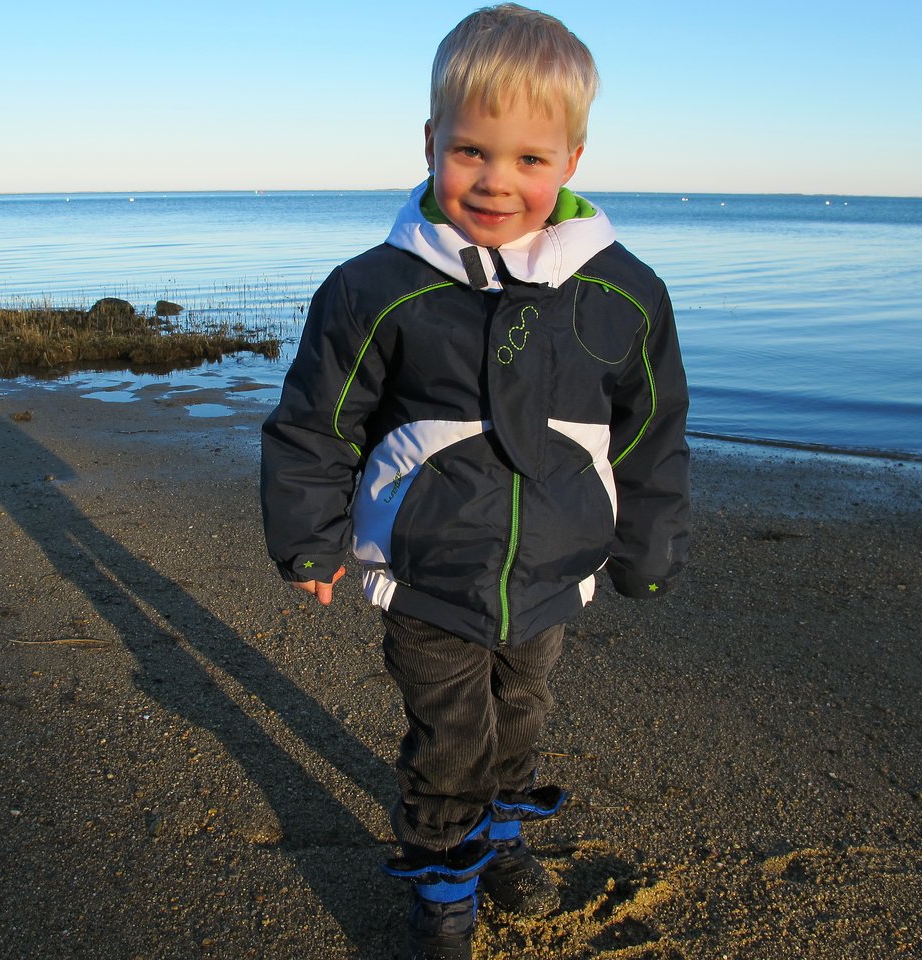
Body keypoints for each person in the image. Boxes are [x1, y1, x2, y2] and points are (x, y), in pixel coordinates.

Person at [260, 4, 690, 958]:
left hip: (552, 568)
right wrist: (309, 537)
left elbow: (650, 432)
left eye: (529, 160)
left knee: (523, 716)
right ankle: (445, 887)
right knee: (450, 734)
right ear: (429, 144)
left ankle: (498, 841)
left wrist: (647, 545)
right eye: (471, 152)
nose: (497, 181)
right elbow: (316, 424)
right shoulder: (374, 287)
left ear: (573, 160)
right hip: (429, 570)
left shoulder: (623, 291)